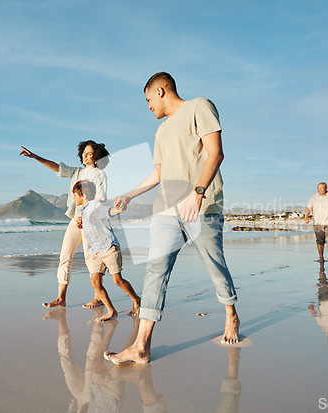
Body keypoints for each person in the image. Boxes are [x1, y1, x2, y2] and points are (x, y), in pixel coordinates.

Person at [104, 72, 240, 364]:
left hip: (202, 205)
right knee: (156, 271)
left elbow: (215, 153)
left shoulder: (199, 107)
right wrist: (131, 194)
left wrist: (198, 192)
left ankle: (231, 314)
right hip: (166, 209)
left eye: (148, 99)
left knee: (215, 265)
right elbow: (160, 172)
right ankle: (141, 346)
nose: (148, 105)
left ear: (161, 90)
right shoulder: (161, 132)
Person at [19, 140, 110, 308]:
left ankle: (98, 297)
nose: (85, 155)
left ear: (97, 156)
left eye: (89, 153)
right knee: (65, 257)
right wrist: (34, 156)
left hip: (92, 222)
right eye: (83, 152)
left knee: (91, 260)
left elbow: (100, 198)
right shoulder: (77, 173)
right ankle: (61, 298)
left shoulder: (99, 175)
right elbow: (56, 167)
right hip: (76, 220)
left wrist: (87, 215)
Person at [73, 180, 140, 322]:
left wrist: (118, 209)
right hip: (94, 251)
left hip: (108, 248)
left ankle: (137, 300)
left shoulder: (95, 205)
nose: (73, 198)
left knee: (117, 280)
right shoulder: (83, 210)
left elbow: (109, 212)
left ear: (83, 195)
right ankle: (111, 311)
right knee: (95, 282)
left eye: (74, 195)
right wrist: (82, 223)